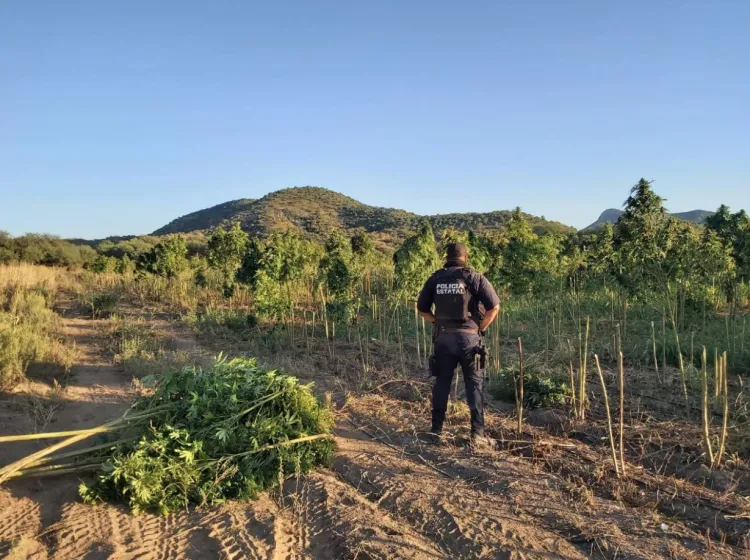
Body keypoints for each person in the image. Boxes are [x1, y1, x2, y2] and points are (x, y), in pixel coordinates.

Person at [417, 242, 501, 447]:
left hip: (443, 339)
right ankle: (477, 434)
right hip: (470, 340)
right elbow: (494, 307)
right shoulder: (474, 277)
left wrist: (437, 322)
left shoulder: (435, 279)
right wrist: (480, 328)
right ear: (465, 257)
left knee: (442, 383)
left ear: (446, 258)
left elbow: (422, 309)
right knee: (474, 384)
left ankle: (436, 431)